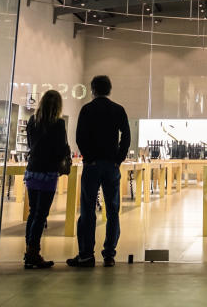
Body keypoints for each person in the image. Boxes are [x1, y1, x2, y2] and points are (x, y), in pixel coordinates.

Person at [68, 75, 130, 268]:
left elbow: (80, 137)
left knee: (88, 209)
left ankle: (86, 254)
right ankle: (109, 254)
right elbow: (126, 136)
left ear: (93, 90)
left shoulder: (87, 110)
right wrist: (118, 159)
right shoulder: (118, 110)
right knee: (112, 210)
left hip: (92, 166)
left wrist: (89, 157)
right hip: (111, 166)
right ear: (109, 90)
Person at [23, 89, 70, 269]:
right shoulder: (58, 124)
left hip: (33, 170)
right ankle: (33, 253)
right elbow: (60, 149)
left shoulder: (33, 121)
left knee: (33, 212)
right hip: (48, 173)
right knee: (41, 214)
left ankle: (29, 252)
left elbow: (30, 144)